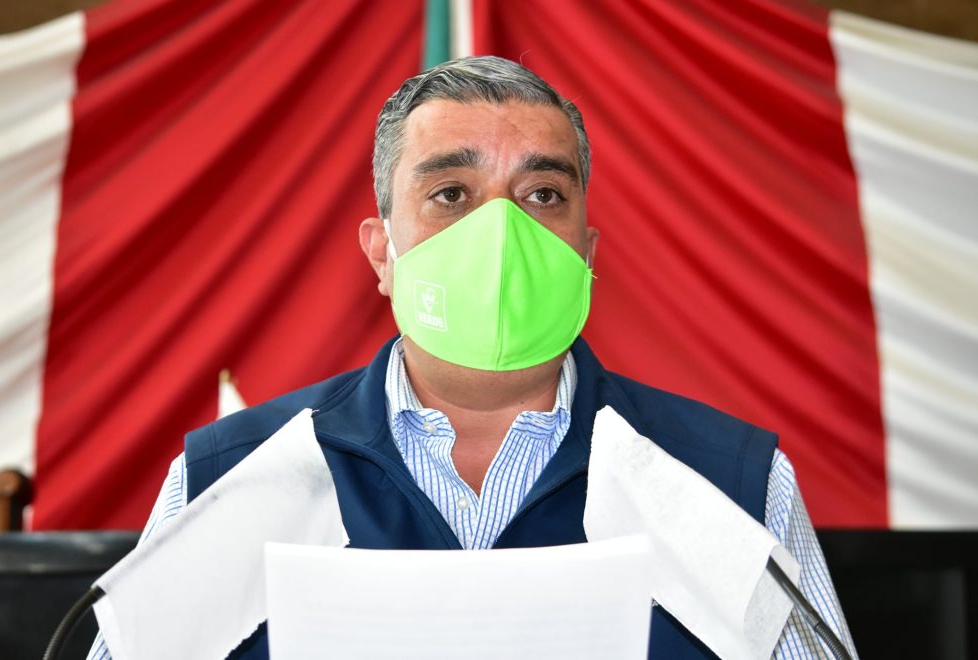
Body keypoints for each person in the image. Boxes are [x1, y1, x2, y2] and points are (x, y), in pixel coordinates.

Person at [89, 56, 856, 659]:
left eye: (543, 194)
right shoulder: (231, 482)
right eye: (452, 194)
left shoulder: (727, 487)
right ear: (382, 254)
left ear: (587, 254)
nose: (500, 236)